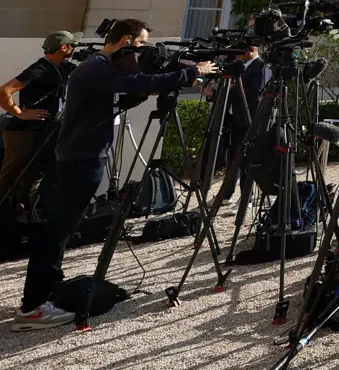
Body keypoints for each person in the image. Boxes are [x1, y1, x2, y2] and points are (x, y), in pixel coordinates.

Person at [14, 19, 216, 331]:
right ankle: (33, 309)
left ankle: (49, 289)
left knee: (61, 229)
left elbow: (130, 89)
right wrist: (193, 71)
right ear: (125, 40)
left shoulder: (102, 66)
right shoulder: (97, 67)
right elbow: (141, 85)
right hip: (80, 159)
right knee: (56, 231)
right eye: (139, 43)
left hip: (82, 156)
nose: (141, 51)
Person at [0, 33, 75, 223]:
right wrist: (19, 112)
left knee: (33, 177)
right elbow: (4, 91)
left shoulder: (62, 68)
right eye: (72, 45)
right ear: (63, 47)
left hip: (44, 132)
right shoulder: (40, 69)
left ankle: (18, 219)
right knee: (11, 177)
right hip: (23, 132)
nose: (75, 48)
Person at [213, 44, 268, 204]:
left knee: (246, 158)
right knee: (232, 158)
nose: (236, 55)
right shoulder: (237, 66)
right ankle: (225, 194)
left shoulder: (261, 66)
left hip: (248, 119)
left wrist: (233, 89)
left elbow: (256, 93)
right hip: (232, 117)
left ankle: (246, 196)